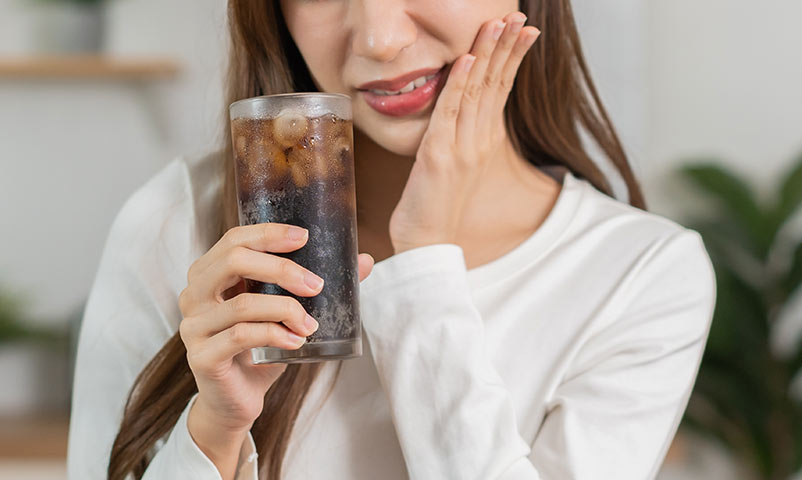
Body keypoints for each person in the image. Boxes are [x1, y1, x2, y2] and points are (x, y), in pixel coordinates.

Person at [67, 1, 717, 479]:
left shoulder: (643, 274)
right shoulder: (176, 220)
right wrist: (215, 431)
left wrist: (425, 260)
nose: (380, 39)